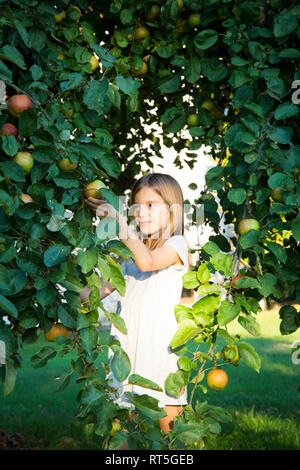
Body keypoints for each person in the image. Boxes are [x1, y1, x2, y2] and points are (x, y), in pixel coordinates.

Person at [81, 172, 191, 439]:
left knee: (172, 433)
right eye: (136, 206)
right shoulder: (128, 253)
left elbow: (148, 262)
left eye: (152, 205)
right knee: (121, 429)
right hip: (126, 351)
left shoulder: (177, 245)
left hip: (161, 350)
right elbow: (91, 295)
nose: (142, 212)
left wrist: (118, 221)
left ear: (173, 209)